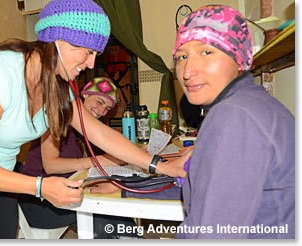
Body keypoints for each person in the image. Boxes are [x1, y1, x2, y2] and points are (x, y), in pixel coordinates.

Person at [0, 0, 190, 239]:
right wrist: (40, 187)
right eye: (88, 52)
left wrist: (162, 166)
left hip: (0, 183)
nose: (90, 64)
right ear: (57, 40)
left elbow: (101, 135)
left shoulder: (59, 87)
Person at [90, 4, 295, 239]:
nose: (187, 71)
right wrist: (126, 190)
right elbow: (200, 190)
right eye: (182, 57)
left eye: (207, 52)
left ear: (239, 57)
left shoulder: (234, 117)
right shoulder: (251, 103)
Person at [15, 77, 141, 239]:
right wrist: (98, 160)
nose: (102, 111)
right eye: (100, 102)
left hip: (65, 192)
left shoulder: (85, 128)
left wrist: (135, 153)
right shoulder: (56, 116)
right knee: (105, 218)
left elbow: (107, 142)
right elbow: (51, 165)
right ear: (85, 95)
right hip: (39, 203)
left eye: (107, 108)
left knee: (118, 212)